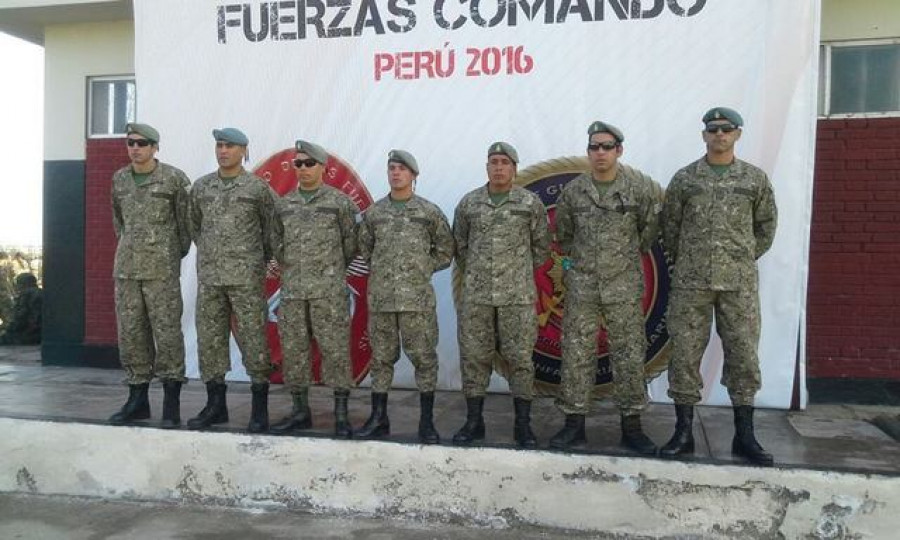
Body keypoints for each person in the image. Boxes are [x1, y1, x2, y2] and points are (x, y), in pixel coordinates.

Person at [660, 107, 778, 466]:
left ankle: (745, 435)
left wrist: (739, 259)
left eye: (726, 129)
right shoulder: (685, 179)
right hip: (691, 282)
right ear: (704, 135)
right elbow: (670, 228)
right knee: (684, 353)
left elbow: (766, 227)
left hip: (737, 285)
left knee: (743, 355)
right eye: (713, 129)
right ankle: (683, 432)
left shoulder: (753, 179)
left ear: (738, 134)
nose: (719, 135)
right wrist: (691, 261)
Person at [549, 121, 662, 455]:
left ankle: (632, 426)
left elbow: (648, 233)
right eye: (594, 147)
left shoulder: (637, 189)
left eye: (606, 146)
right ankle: (574, 425)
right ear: (588, 152)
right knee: (576, 355)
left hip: (623, 287)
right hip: (582, 288)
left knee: (628, 355)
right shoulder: (574, 192)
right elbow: (565, 237)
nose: (600, 153)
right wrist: (572, 269)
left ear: (619, 150)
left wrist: (621, 263)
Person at [451, 142, 550, 448]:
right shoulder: (469, 203)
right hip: (477, 296)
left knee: (520, 359)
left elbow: (541, 248)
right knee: (474, 358)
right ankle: (474, 421)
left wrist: (514, 273)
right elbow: (461, 247)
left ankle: (523, 424)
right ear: (486, 167)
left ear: (514, 168)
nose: (498, 167)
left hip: (516, 296)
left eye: (504, 162)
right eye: (493, 161)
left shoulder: (529, 203)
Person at [356, 150, 454, 444]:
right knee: (382, 359)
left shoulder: (428, 212)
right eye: (391, 168)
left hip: (417, 302)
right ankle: (379, 418)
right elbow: (365, 250)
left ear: (413, 175)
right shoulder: (375, 213)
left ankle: (426, 421)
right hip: (383, 300)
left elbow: (445, 251)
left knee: (424, 359)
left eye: (402, 169)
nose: (395, 173)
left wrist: (421, 267)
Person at [187, 127, 277, 433]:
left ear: (243, 150)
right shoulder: (201, 187)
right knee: (210, 342)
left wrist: (256, 259)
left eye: (229, 146)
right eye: (219, 145)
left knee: (254, 340)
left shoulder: (257, 189)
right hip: (211, 278)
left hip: (246, 279)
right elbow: (195, 227)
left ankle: (259, 408)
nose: (223, 151)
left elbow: (271, 229)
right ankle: (215, 405)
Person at [270, 140, 358, 438]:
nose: (303, 169)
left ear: (323, 167)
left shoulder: (339, 203)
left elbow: (350, 245)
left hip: (328, 292)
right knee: (294, 353)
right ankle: (300, 411)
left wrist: (327, 270)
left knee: (336, 352)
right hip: (293, 292)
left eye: (309, 164)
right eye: (298, 164)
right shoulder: (284, 205)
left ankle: (342, 414)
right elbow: (277, 245)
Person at [107, 123, 191, 428]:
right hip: (127, 270)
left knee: (167, 332)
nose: (136, 148)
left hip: (161, 270)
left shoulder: (173, 179)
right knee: (131, 334)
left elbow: (186, 226)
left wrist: (168, 253)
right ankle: (137, 399)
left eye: (142, 143)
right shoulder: (119, 179)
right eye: (131, 143)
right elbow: (120, 223)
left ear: (155, 147)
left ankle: (171, 401)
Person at [0, 273, 42, 346]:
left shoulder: (26, 294)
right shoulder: (43, 292)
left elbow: (20, 318)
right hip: (44, 333)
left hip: (31, 334)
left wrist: (8, 328)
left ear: (22, 283)